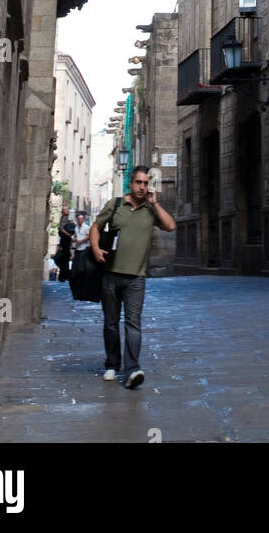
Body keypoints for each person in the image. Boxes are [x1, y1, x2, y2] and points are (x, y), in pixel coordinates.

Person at [90, 166, 176, 388]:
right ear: (131, 183)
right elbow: (96, 227)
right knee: (110, 323)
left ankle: (132, 369)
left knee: (133, 323)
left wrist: (155, 203)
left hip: (136, 277)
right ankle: (112, 364)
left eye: (146, 183)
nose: (143, 187)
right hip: (111, 275)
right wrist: (96, 249)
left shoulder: (150, 209)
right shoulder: (116, 205)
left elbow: (170, 226)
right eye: (139, 182)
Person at [68, 212, 92, 300]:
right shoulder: (76, 227)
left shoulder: (86, 227)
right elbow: (74, 236)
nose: (79, 220)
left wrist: (81, 241)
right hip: (78, 250)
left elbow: (89, 236)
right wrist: (74, 240)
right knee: (75, 271)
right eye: (78, 219)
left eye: (81, 219)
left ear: (83, 219)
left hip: (84, 250)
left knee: (82, 270)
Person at [56, 208, 75, 282]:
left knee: (66, 258)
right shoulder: (64, 218)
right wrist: (68, 235)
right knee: (65, 258)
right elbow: (61, 228)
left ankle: (64, 275)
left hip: (66, 241)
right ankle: (63, 276)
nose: (68, 211)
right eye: (66, 210)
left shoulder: (67, 218)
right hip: (65, 241)